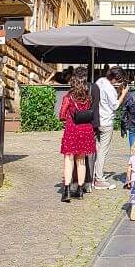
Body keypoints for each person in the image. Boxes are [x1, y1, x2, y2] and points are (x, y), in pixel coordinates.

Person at [58, 68, 96, 203]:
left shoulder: (68, 97)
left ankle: (67, 190)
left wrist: (67, 116)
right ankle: (80, 190)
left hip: (72, 130)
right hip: (86, 130)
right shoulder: (88, 98)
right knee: (81, 161)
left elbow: (61, 115)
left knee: (69, 160)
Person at [93, 66, 129, 190]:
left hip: (96, 119)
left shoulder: (100, 81)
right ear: (115, 78)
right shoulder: (110, 89)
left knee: (96, 148)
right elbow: (114, 106)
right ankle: (99, 179)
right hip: (106, 121)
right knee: (103, 150)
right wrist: (123, 94)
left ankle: (92, 174)